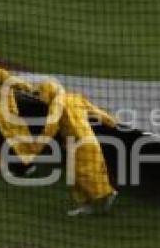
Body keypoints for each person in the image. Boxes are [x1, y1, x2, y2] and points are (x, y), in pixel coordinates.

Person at [34, 79, 118, 216]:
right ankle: (87, 203)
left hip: (80, 143)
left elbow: (51, 127)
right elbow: (95, 111)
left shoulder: (57, 105)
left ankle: (106, 193)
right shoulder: (75, 98)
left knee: (83, 174)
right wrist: (111, 121)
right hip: (89, 140)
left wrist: (38, 145)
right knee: (84, 172)